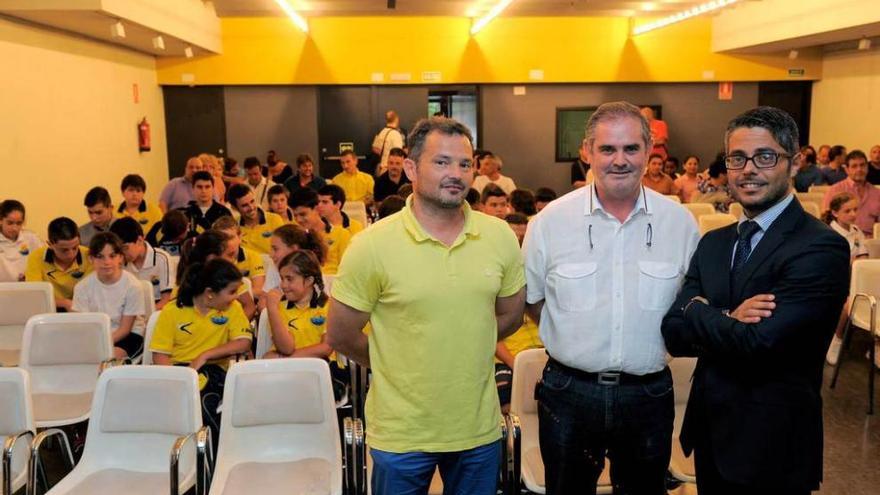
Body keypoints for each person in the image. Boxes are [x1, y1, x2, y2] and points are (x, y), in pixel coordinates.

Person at [328, 117, 525, 495]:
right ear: (410, 168)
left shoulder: (499, 236)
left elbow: (511, 314)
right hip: (402, 433)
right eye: (442, 162)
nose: (456, 173)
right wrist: (394, 359)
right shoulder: (372, 245)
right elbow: (340, 333)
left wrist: (466, 336)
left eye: (465, 164)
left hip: (477, 429)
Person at [661, 106, 850, 495]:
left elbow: (761, 342)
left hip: (773, 444)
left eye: (765, 157)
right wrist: (729, 317)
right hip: (710, 433)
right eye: (737, 158)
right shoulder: (714, 243)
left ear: (794, 163)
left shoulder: (819, 246)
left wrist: (698, 309)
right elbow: (674, 333)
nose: (748, 169)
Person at [523, 101, 699, 495]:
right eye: (607, 149)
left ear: (650, 150)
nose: (620, 160)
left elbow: (692, 301)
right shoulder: (551, 222)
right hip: (569, 393)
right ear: (587, 151)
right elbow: (534, 301)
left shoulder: (679, 223)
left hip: (649, 393)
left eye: (631, 149)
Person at [150, 258, 252, 442]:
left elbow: (244, 342)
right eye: (231, 292)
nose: (236, 296)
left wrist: (205, 355)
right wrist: (176, 383)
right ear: (210, 293)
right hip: (178, 371)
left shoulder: (232, 308)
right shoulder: (173, 310)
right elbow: (159, 354)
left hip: (215, 371)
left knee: (205, 404)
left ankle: (214, 461)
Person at [73, 232, 145, 360]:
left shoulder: (133, 286)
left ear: (121, 258)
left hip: (128, 336)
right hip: (95, 337)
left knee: (108, 358)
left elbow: (125, 329)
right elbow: (83, 326)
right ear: (91, 259)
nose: (107, 262)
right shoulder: (82, 288)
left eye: (112, 256)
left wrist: (100, 345)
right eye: (100, 257)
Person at [823, 192, 871, 366]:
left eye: (855, 210)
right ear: (835, 213)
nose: (853, 214)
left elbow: (864, 256)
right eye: (847, 211)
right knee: (849, 302)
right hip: (833, 281)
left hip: (855, 277)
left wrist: (859, 265)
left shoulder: (857, 231)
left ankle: (875, 346)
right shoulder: (828, 233)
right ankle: (836, 339)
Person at [264, 250, 333, 359]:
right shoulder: (278, 307)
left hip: (321, 369)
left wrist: (282, 358)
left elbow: (326, 348)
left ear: (309, 281)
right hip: (288, 371)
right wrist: (272, 309)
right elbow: (286, 348)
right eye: (282, 279)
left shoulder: (329, 306)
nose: (283, 285)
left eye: (289, 279)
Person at [176, 230, 257, 321]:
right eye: (230, 255)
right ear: (212, 258)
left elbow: (250, 307)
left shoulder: (231, 281)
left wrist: (234, 328)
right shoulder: (187, 284)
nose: (233, 261)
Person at [25, 217, 93, 311]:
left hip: (82, 309)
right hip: (47, 309)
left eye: (75, 247)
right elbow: (34, 295)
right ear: (50, 245)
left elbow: (93, 293)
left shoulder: (89, 256)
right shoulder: (36, 257)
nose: (71, 254)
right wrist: (64, 303)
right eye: (64, 250)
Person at [110, 217, 174, 310]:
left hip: (157, 312)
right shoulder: (120, 262)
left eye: (125, 248)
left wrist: (146, 316)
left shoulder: (161, 258)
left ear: (140, 240)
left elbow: (166, 300)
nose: (122, 254)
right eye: (118, 250)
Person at [290, 187, 350, 275]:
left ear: (316, 209)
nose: (298, 220)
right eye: (295, 215)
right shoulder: (295, 238)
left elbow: (347, 269)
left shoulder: (341, 234)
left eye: (303, 214)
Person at [822, 150, 880, 237]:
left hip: (870, 242)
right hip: (842, 240)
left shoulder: (876, 193)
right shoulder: (835, 190)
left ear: (867, 167)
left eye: (862, 165)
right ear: (847, 169)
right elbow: (825, 221)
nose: (859, 169)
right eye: (854, 166)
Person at [212, 215, 266, 301]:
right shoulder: (212, 259)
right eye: (221, 238)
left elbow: (258, 291)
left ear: (240, 237)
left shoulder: (253, 256)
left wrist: (231, 296)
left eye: (230, 238)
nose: (226, 243)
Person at [227, 183, 286, 256]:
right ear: (234, 208)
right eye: (245, 205)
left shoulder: (275, 219)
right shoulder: (234, 226)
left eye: (252, 201)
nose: (251, 207)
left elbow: (284, 249)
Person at [264, 223, 326, 292]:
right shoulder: (274, 267)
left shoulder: (313, 272)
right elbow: (265, 298)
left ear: (294, 249)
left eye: (275, 249)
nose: (270, 255)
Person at [0, 200, 43, 283]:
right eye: (10, 223)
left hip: (27, 290)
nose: (14, 228)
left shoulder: (31, 239)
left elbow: (45, 263)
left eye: (19, 223)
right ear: (1, 220)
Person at [371, 110, 406, 176]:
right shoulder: (396, 134)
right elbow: (398, 154)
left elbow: (375, 149)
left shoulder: (381, 132)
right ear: (396, 120)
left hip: (380, 169)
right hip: (390, 170)